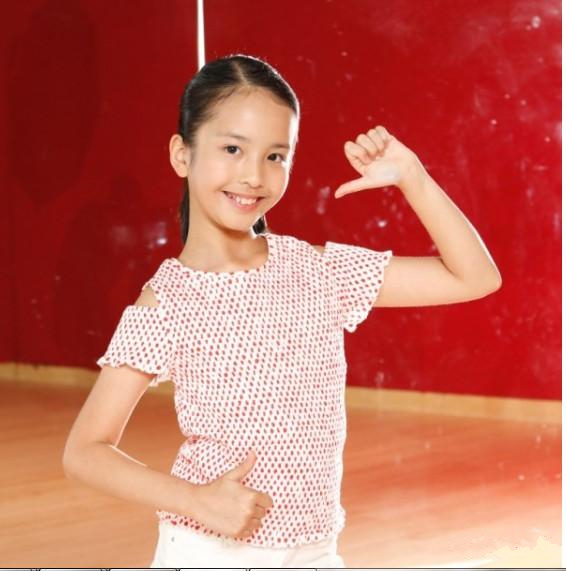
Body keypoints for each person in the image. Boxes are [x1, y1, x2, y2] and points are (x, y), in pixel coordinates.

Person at [62, 53, 502, 568]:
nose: (253, 176)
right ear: (182, 155)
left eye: (275, 156)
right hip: (211, 552)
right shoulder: (169, 302)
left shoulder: (318, 271)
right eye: (232, 149)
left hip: (316, 550)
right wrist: (195, 500)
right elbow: (85, 452)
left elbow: (475, 277)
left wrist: (413, 178)